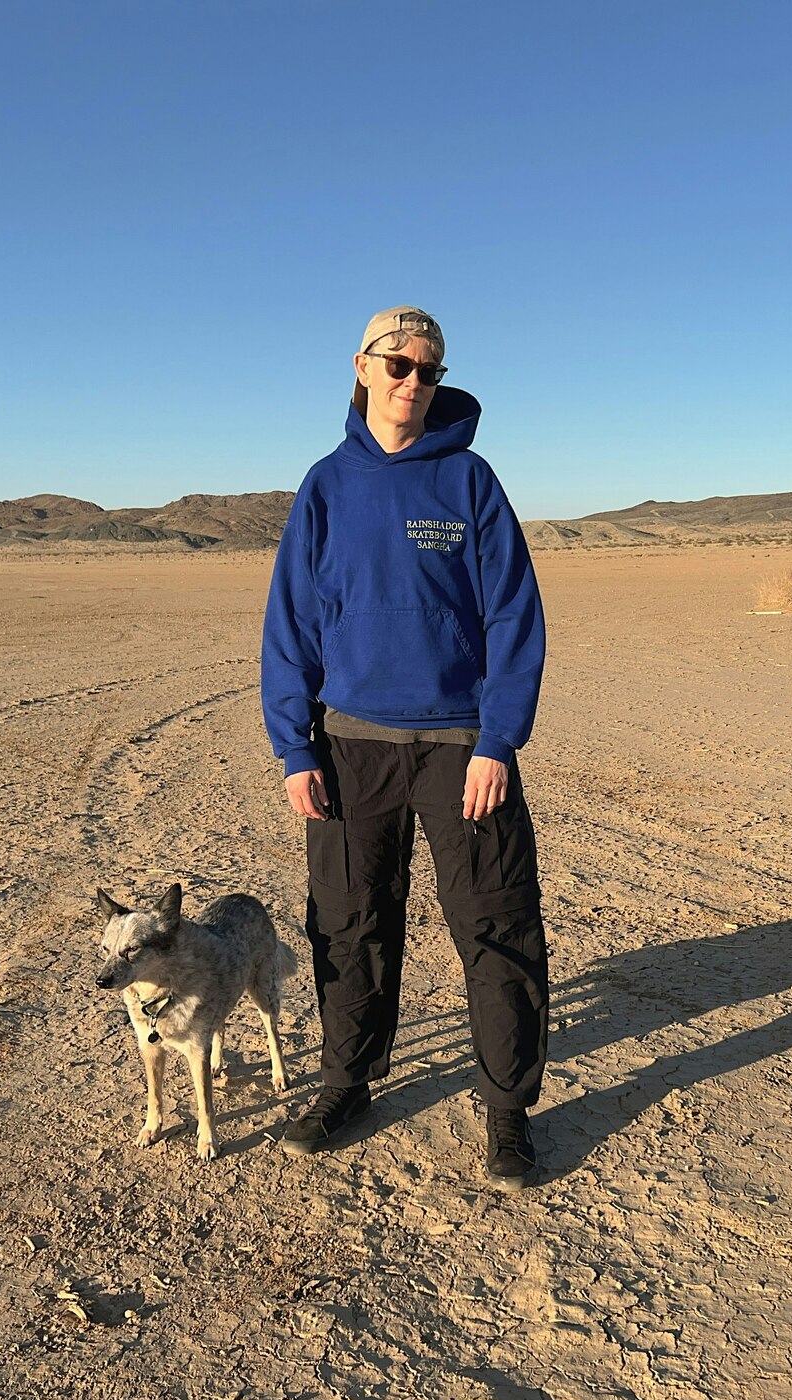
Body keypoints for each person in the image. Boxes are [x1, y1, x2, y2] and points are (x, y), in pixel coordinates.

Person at [260, 306, 550, 1190]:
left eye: (430, 369)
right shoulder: (326, 486)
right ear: (363, 366)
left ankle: (507, 1112)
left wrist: (498, 740)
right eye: (399, 365)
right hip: (351, 745)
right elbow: (292, 622)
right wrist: (295, 747)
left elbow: (513, 615)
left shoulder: (469, 481)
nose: (414, 382)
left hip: (462, 748)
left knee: (495, 924)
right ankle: (347, 1084)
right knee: (349, 923)